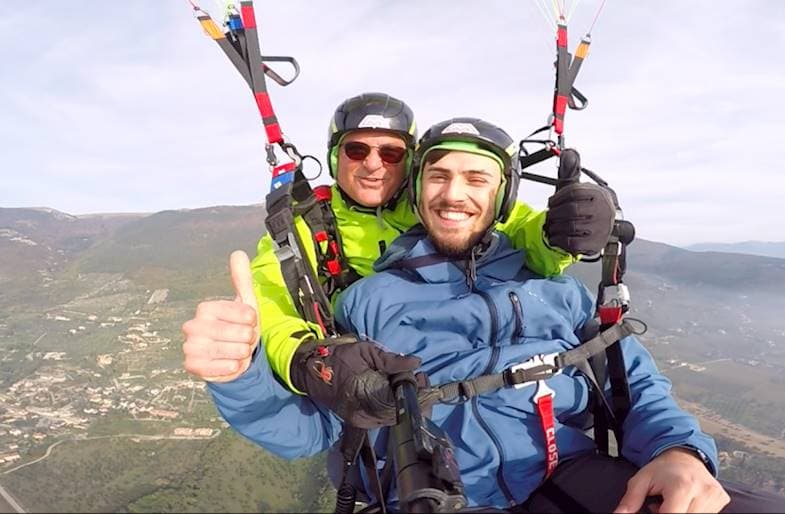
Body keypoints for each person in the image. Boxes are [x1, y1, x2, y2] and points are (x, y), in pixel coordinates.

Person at [200, 117, 785, 513]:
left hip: (570, 480)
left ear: (502, 195)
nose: (455, 193)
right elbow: (308, 430)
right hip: (440, 494)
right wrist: (239, 375)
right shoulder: (368, 301)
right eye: (439, 175)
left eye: (476, 178)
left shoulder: (557, 290)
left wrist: (677, 452)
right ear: (419, 190)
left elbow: (635, 387)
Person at [182, 92, 616, 398]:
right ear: (335, 158)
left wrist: (563, 230)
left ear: (410, 160)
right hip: (360, 380)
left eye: (390, 154)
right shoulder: (307, 226)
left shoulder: (434, 203)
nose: (373, 165)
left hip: (443, 367)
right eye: (356, 151)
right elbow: (271, 299)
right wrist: (306, 358)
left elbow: (513, 226)